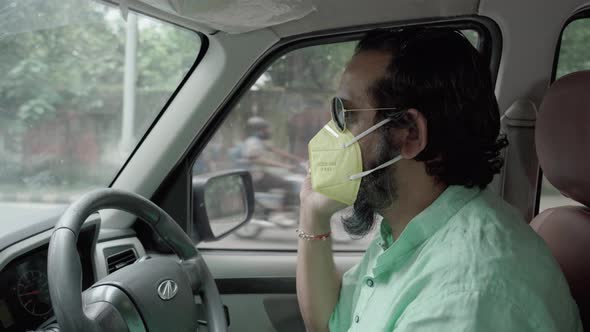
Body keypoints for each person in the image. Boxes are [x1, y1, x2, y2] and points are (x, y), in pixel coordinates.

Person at [296, 28, 582, 331]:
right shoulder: (412, 228)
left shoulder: (465, 293)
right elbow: (331, 324)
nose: (334, 131)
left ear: (410, 133)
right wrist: (312, 213)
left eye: (347, 114)